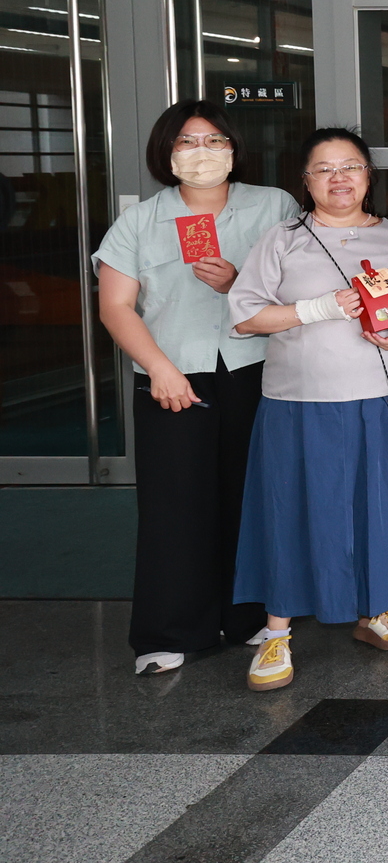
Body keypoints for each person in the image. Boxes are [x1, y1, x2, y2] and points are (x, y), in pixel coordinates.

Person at [228, 129, 388, 692]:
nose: (339, 178)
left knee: (379, 507)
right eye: (324, 169)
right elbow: (245, 315)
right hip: (300, 404)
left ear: (369, 176)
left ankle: (375, 610)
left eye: (350, 166)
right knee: (293, 510)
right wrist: (318, 308)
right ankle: (277, 632)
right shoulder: (283, 239)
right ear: (306, 181)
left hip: (382, 401)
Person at [94, 101, 299, 676]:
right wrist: (158, 367)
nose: (201, 152)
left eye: (214, 140)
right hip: (172, 375)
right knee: (174, 505)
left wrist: (239, 283)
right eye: (187, 141)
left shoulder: (274, 206)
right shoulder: (139, 221)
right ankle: (169, 631)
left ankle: (249, 615)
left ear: (234, 149)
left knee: (251, 496)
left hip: (257, 369)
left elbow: (301, 287)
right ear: (166, 152)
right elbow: (115, 306)